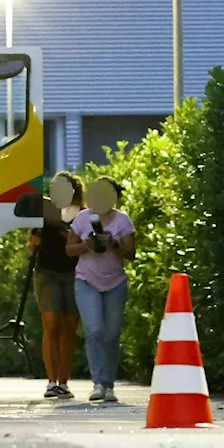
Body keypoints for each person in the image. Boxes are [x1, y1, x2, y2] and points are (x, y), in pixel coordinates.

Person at [66, 176, 136, 403]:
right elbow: (69, 249)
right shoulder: (83, 218)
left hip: (115, 282)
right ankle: (99, 382)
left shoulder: (123, 221)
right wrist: (86, 245)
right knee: (94, 330)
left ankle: (109, 384)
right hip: (87, 280)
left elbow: (131, 254)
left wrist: (113, 244)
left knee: (111, 334)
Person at [28, 172, 84, 400]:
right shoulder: (45, 213)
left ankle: (64, 382)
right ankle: (51, 382)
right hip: (46, 272)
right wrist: (34, 243)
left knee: (69, 327)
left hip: (75, 272)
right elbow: (31, 245)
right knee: (51, 324)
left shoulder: (83, 215)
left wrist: (73, 237)